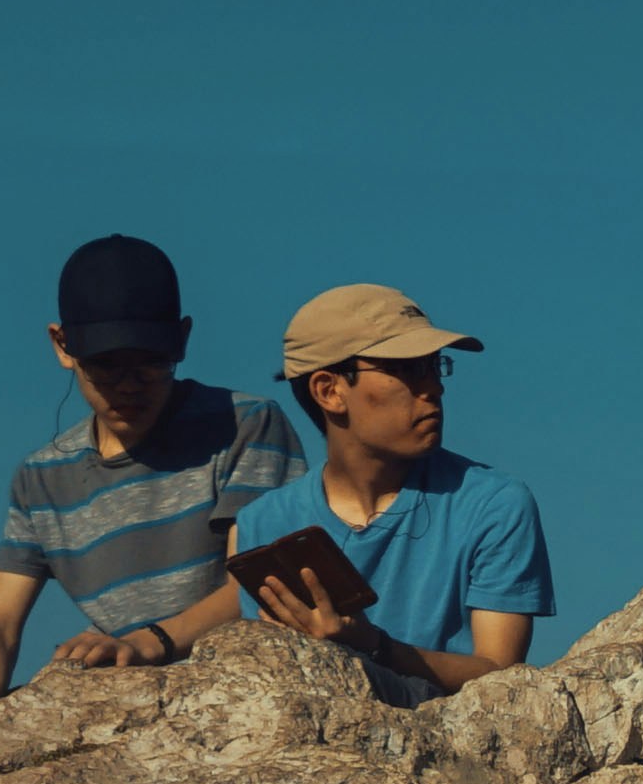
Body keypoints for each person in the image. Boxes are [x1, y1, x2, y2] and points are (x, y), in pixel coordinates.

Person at [0, 234, 304, 704]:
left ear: (182, 340)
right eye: (105, 365)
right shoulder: (42, 479)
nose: (128, 386)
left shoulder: (245, 426)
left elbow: (259, 582)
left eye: (150, 363)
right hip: (127, 689)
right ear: (62, 345)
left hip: (240, 688)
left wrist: (149, 643)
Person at [224, 285, 555, 693]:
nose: (434, 388)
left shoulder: (493, 504)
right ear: (329, 391)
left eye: (434, 366)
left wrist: (374, 646)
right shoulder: (262, 525)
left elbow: (501, 678)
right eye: (407, 369)